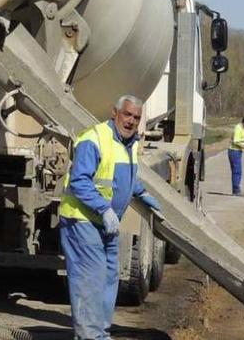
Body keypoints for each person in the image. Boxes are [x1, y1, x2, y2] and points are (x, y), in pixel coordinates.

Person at [58, 95, 162, 340]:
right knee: (90, 279)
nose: (131, 121)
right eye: (127, 114)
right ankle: (89, 336)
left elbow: (121, 175)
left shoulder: (130, 143)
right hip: (82, 220)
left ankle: (99, 332)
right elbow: (80, 181)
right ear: (114, 112)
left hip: (106, 224)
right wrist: (103, 209)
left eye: (136, 117)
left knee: (108, 278)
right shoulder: (93, 139)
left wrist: (141, 192)